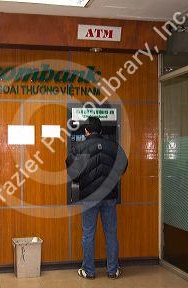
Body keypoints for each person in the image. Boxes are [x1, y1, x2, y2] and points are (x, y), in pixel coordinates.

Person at [66, 116, 128, 280]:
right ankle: (113, 270)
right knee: (111, 234)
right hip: (109, 196)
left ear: (86, 131)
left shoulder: (79, 147)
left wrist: (81, 179)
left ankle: (89, 271)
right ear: (100, 130)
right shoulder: (113, 146)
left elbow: (72, 172)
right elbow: (124, 165)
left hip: (89, 197)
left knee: (88, 234)